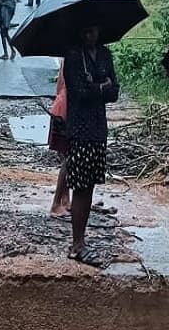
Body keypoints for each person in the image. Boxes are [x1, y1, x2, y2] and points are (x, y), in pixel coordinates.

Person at [64, 24, 119, 267]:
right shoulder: (74, 56)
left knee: (89, 187)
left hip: (98, 128)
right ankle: (77, 244)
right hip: (79, 128)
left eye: (94, 31)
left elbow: (114, 91)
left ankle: (80, 241)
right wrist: (101, 87)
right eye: (86, 31)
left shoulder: (105, 54)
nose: (90, 35)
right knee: (80, 186)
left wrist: (98, 88)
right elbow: (80, 92)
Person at [48, 59, 71, 219]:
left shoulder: (66, 57)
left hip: (60, 106)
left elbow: (59, 87)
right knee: (69, 158)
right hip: (67, 110)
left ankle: (65, 198)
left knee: (66, 156)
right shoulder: (76, 58)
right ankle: (56, 204)